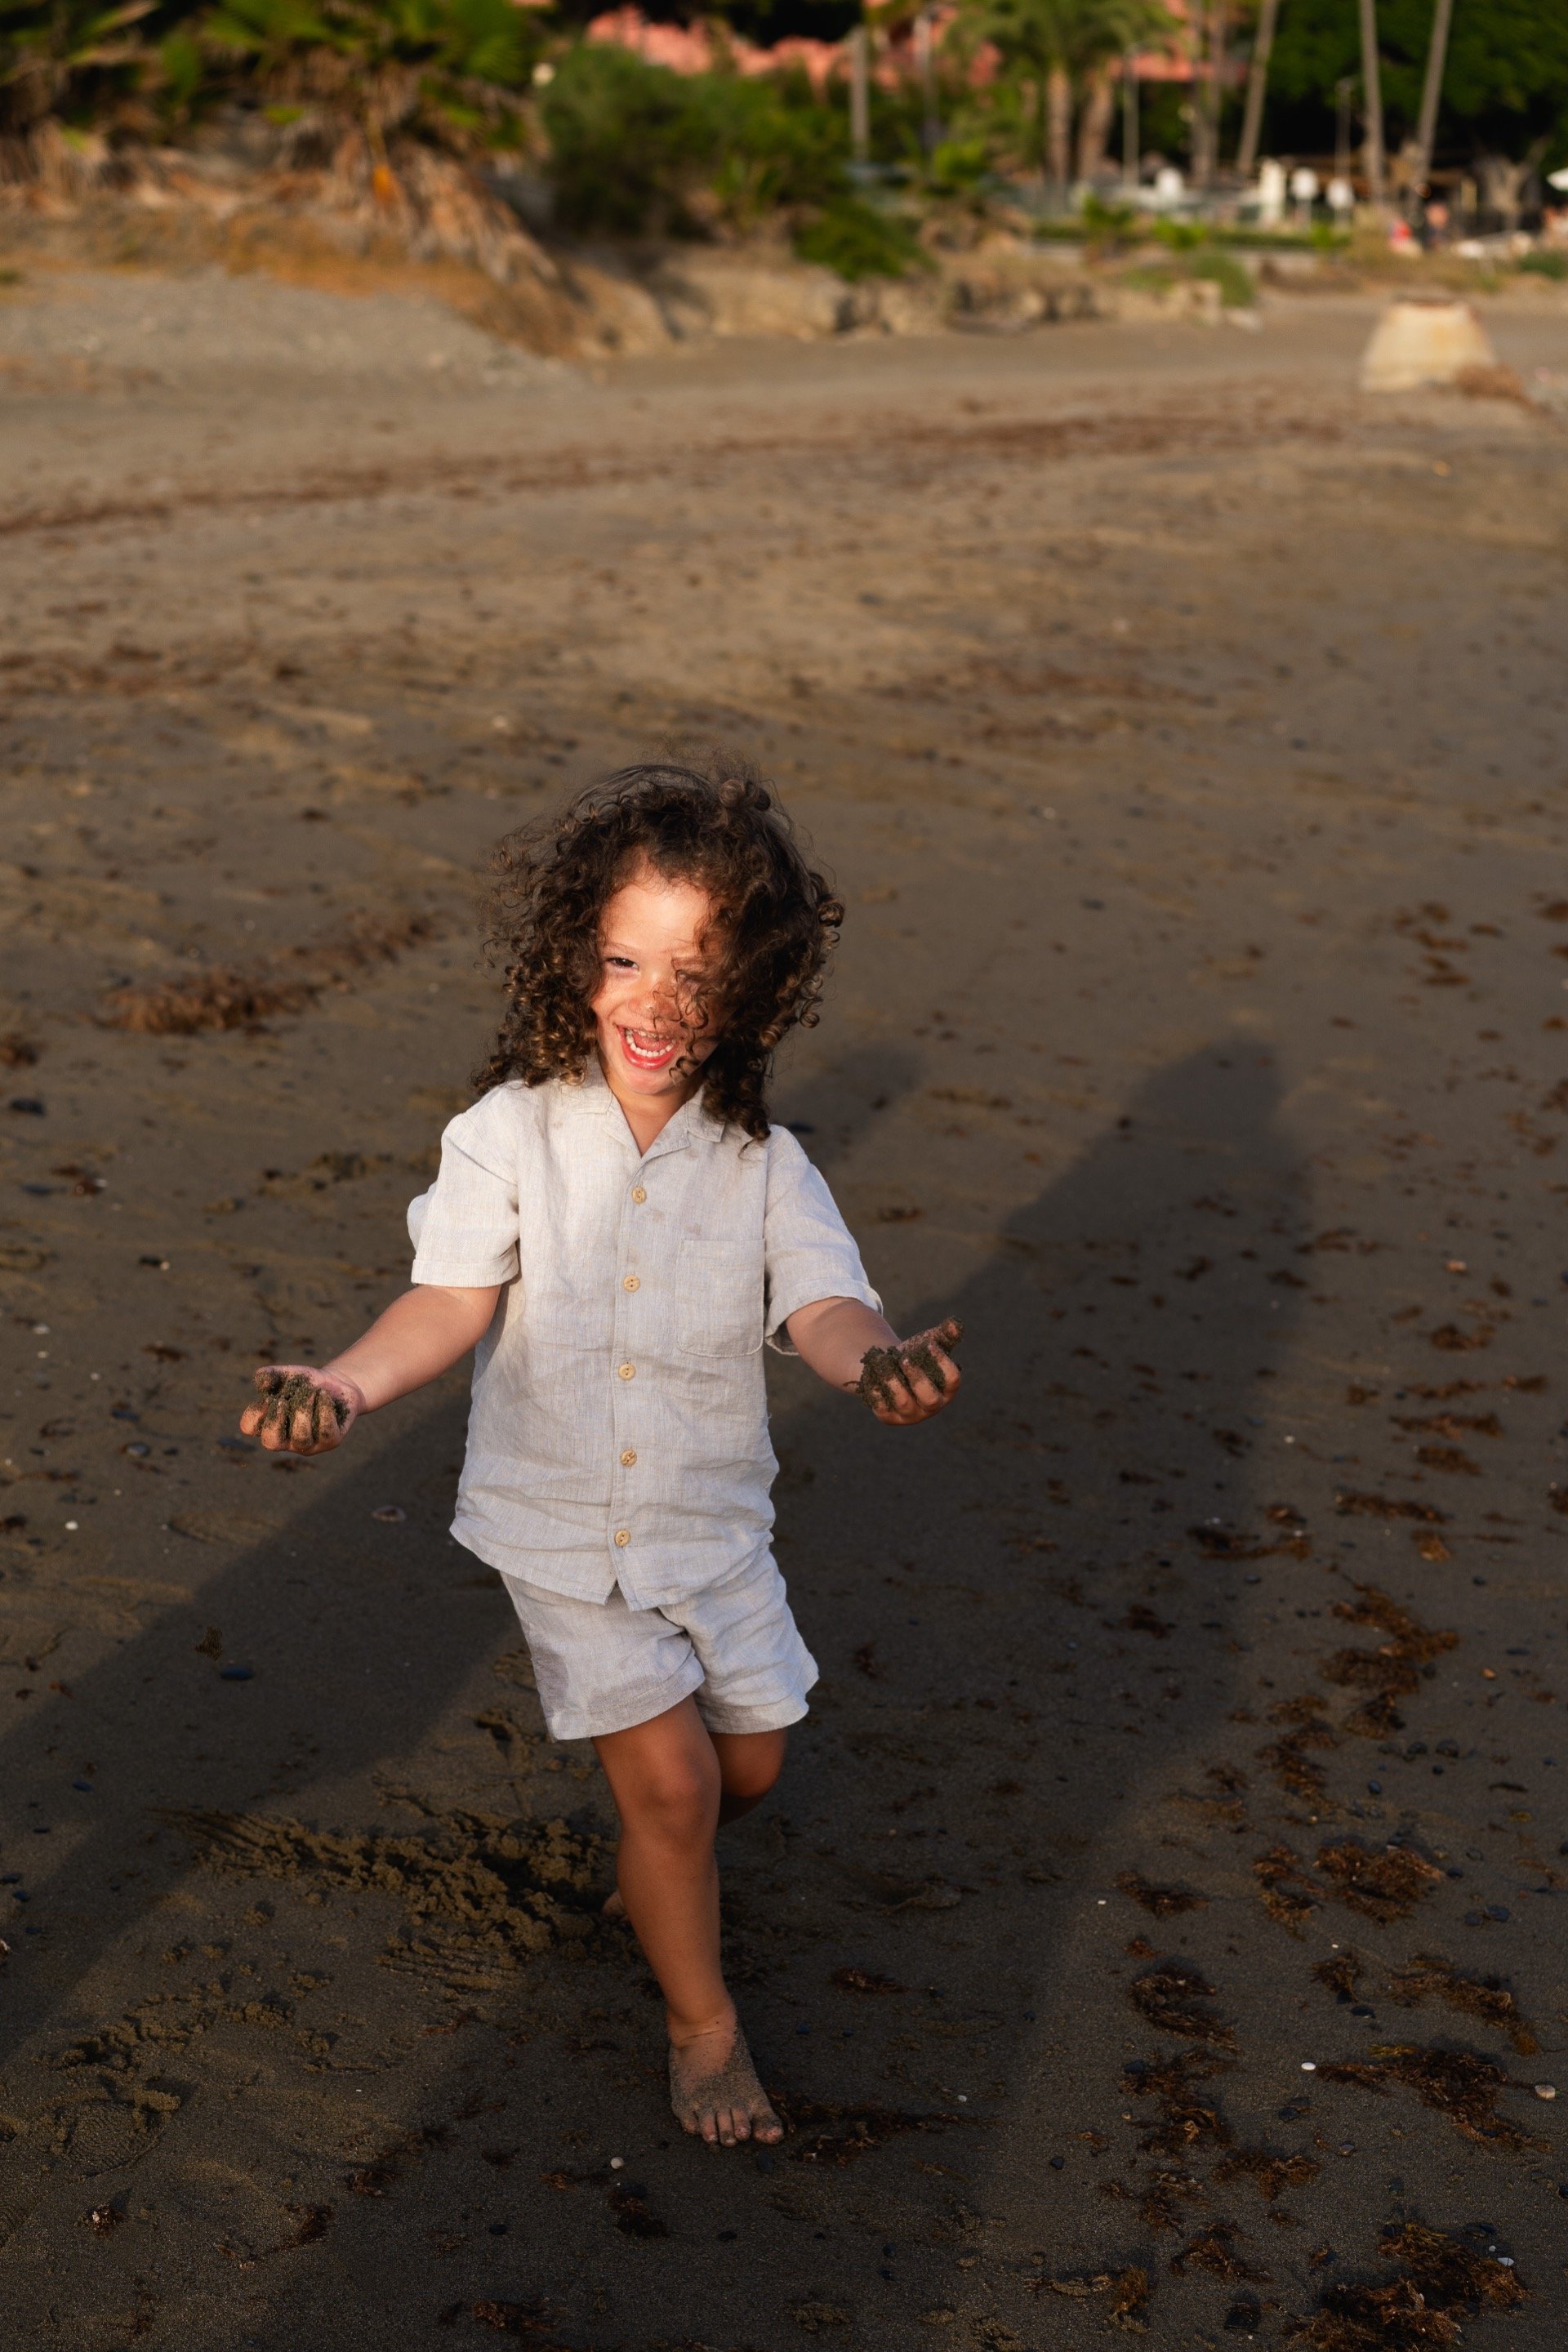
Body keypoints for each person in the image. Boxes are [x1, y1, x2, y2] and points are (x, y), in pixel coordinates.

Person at [239, 760, 963, 2149]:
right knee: (679, 1783)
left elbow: (822, 1302)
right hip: (562, 1526)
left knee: (750, 1765)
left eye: (696, 972)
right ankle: (704, 2030)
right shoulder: (509, 1133)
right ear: (575, 958)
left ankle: (654, 1867)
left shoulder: (766, 1164)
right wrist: (338, 1384)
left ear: (754, 988)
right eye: (624, 959)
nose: (654, 999)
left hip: (710, 1525)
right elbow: (449, 1298)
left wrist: (873, 1362)